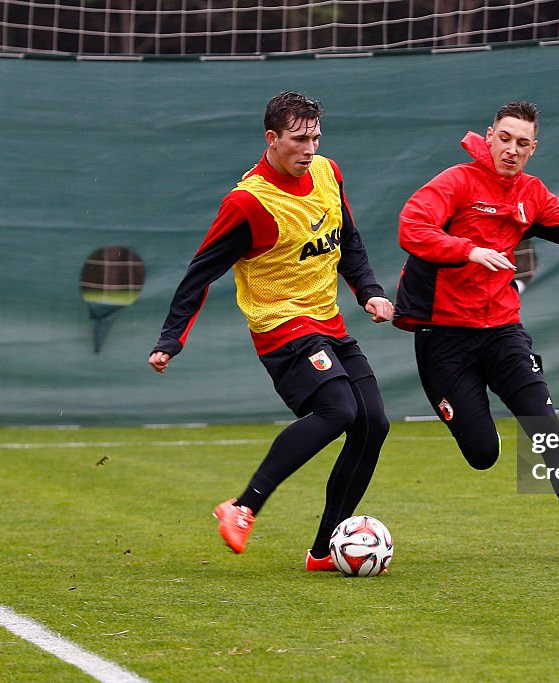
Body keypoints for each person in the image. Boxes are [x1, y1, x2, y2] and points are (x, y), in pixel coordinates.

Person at [393, 101, 559, 564]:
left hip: (504, 333)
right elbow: (412, 227)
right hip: (443, 338)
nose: (512, 149)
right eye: (505, 138)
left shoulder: (531, 193)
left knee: (546, 429)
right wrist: (468, 250)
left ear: (534, 148)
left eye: (522, 143)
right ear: (489, 136)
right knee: (483, 453)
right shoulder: (455, 181)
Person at [149, 91, 393, 571]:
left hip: (329, 323)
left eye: (316, 137)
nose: (310, 148)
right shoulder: (248, 203)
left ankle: (324, 552)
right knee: (338, 409)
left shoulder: (327, 172)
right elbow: (200, 273)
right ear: (272, 139)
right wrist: (170, 340)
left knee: (373, 424)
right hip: (281, 328)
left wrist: (369, 291)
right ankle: (243, 506)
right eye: (300, 139)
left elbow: (349, 240)